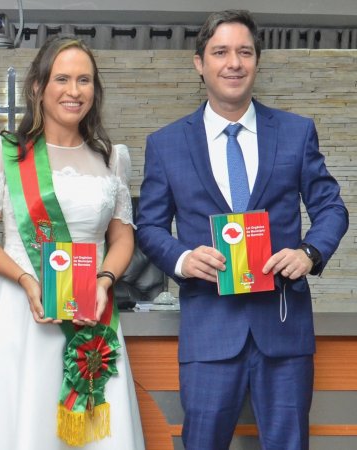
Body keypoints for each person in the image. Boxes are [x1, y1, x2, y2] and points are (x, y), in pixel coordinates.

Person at [136, 9, 348, 450]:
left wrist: (309, 252)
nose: (234, 63)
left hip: (284, 328)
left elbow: (331, 207)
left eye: (244, 52)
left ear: (256, 61)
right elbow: (149, 226)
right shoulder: (166, 144)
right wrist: (182, 259)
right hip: (209, 330)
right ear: (200, 63)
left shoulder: (295, 132)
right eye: (220, 52)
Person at [0, 36, 145, 450]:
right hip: (20, 309)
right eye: (62, 79)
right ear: (38, 87)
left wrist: (105, 281)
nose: (74, 91)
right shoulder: (4, 154)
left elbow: (123, 237)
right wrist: (26, 280)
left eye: (84, 80)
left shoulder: (111, 158)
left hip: (92, 311)